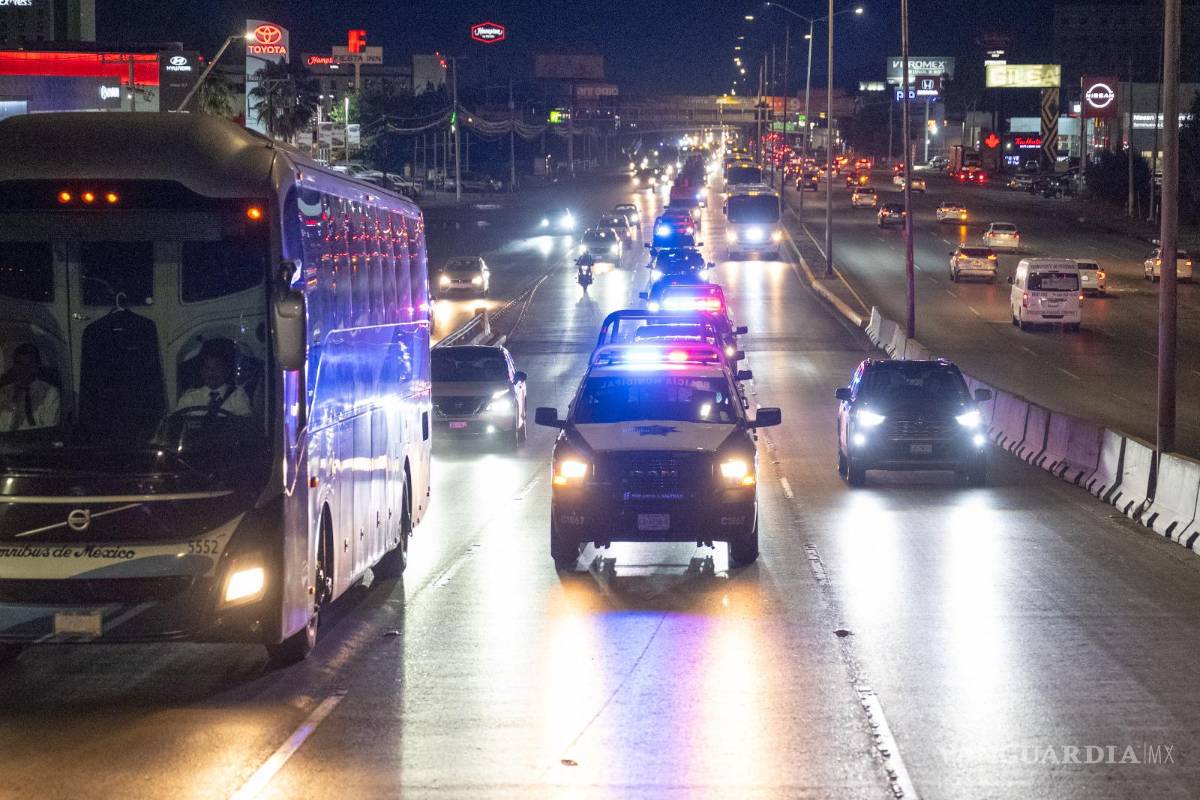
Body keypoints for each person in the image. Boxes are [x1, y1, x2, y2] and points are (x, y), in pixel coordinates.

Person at [176, 338, 251, 417]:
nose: (212, 372)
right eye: (207, 368)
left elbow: (245, 424)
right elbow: (177, 423)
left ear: (227, 371)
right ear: (201, 371)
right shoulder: (190, 398)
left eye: (217, 368)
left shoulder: (237, 396)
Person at [0, 343, 60, 432]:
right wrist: (14, 402)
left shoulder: (51, 393)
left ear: (36, 366)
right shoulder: (5, 392)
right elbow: (3, 429)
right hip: (11, 443)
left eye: (29, 364)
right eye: (19, 364)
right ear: (14, 366)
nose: (23, 369)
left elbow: (50, 428)